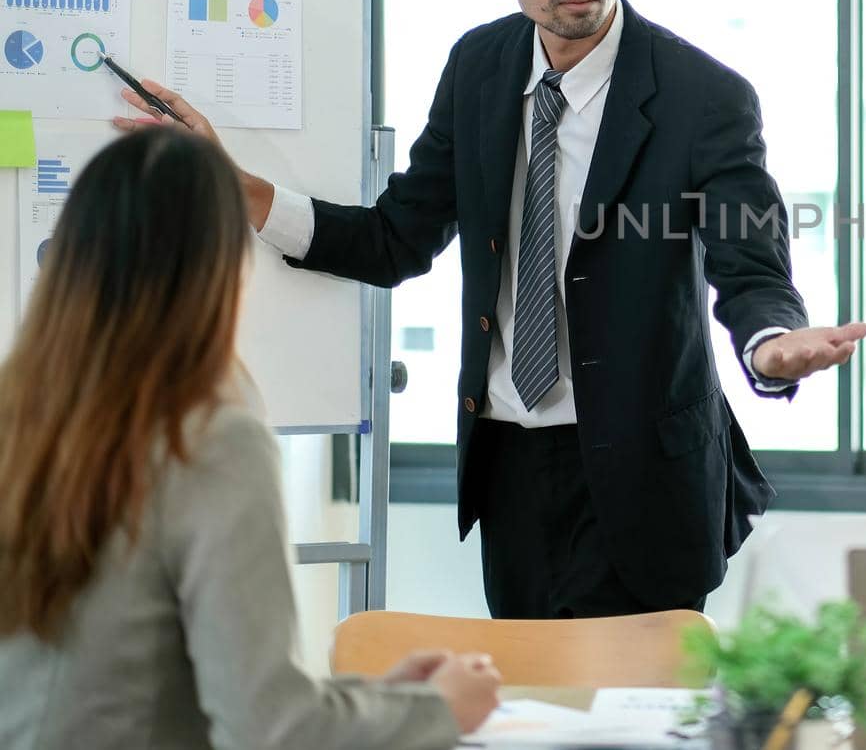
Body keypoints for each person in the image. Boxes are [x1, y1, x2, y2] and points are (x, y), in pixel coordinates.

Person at [115, 0, 866, 620]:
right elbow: (395, 237)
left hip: (648, 477)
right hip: (510, 464)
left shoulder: (702, 96)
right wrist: (234, 186)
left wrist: (770, 344)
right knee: (529, 712)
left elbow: (749, 264)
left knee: (641, 719)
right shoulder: (479, 68)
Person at [0, 127, 501, 749]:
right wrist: (439, 712)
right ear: (221, 268)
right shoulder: (208, 439)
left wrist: (386, 701)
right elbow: (272, 731)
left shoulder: (20, 411)